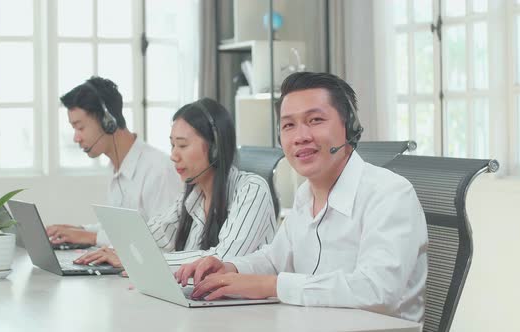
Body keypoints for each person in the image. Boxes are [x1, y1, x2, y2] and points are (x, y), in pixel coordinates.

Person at [175, 72, 428, 322]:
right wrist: (230, 268)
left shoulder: (389, 194)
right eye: (288, 125)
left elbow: (378, 290)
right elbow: (274, 259)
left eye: (316, 120)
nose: (300, 136)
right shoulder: (305, 194)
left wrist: (272, 286)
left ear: (349, 126)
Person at [74, 98, 278, 267]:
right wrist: (113, 252)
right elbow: (151, 235)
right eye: (172, 145)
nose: (173, 156)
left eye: (182, 145)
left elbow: (222, 258)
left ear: (215, 148)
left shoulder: (251, 190)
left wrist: (138, 260)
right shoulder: (193, 196)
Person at [46, 76, 181, 247]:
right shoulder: (115, 166)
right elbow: (120, 228)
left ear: (107, 121)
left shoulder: (158, 169)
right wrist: (79, 230)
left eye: (80, 127)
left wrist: (92, 238)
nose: (76, 138)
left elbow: (166, 239)